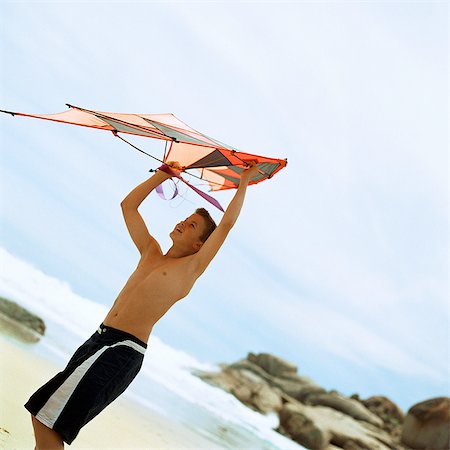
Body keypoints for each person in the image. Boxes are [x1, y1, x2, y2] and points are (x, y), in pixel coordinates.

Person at [25, 161, 259, 448]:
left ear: (200, 244)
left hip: (121, 350)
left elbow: (227, 225)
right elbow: (128, 206)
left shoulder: (191, 268)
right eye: (186, 219)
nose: (183, 223)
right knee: (51, 419)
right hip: (97, 341)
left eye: (192, 226)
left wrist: (245, 180)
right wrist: (163, 174)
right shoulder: (151, 252)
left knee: (46, 418)